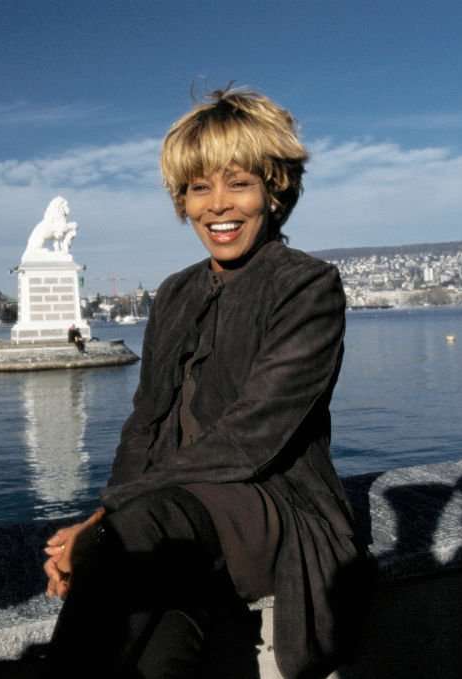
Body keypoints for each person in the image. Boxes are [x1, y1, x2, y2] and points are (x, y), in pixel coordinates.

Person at [43, 87, 368, 679]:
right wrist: (105, 518)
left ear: (275, 190)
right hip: (176, 516)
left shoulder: (307, 286)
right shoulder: (174, 292)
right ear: (182, 200)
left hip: (275, 506)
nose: (218, 206)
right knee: (153, 607)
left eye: (239, 183)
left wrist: (103, 522)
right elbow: (145, 423)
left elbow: (252, 438)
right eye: (199, 188)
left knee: (136, 537)